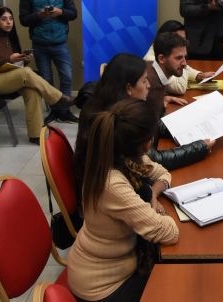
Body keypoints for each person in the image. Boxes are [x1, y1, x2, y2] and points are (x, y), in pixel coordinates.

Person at [68, 98, 179, 302]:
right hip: (101, 287)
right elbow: (168, 232)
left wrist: (153, 194)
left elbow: (162, 173)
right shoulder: (112, 184)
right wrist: (155, 211)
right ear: (147, 143)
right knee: (177, 284)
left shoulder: (122, 155)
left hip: (117, 264)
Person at [75, 53, 211, 188]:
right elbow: (153, 159)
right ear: (129, 88)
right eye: (144, 80)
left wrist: (192, 127)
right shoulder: (118, 118)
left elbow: (153, 126)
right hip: (109, 189)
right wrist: (200, 147)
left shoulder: (108, 101)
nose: (149, 85)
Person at [0, 6, 74, 145]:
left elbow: (12, 65)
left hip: (6, 76)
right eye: (4, 19)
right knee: (26, 72)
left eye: (11, 19)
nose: (8, 22)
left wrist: (23, 60)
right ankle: (58, 98)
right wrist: (9, 59)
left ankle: (35, 134)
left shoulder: (9, 36)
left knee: (32, 90)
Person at [19, 0, 78, 124]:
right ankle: (54, 111)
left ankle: (64, 112)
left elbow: (73, 14)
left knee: (67, 77)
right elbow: (23, 20)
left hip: (60, 42)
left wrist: (61, 12)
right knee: (46, 80)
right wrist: (39, 15)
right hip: (39, 44)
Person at [143, 20, 215, 95]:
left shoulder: (167, 55)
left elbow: (183, 68)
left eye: (183, 39)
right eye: (177, 38)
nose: (181, 43)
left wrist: (199, 76)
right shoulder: (152, 63)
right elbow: (179, 87)